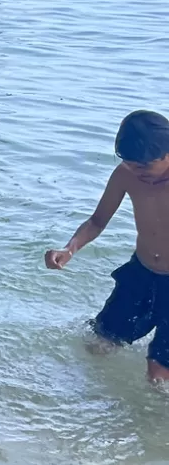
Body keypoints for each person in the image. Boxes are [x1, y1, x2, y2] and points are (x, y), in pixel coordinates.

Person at [45, 109, 169, 382]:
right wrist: (70, 249)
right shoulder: (126, 174)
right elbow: (98, 220)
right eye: (131, 164)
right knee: (99, 344)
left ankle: (153, 421)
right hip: (142, 272)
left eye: (145, 167)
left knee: (158, 371)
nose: (138, 173)